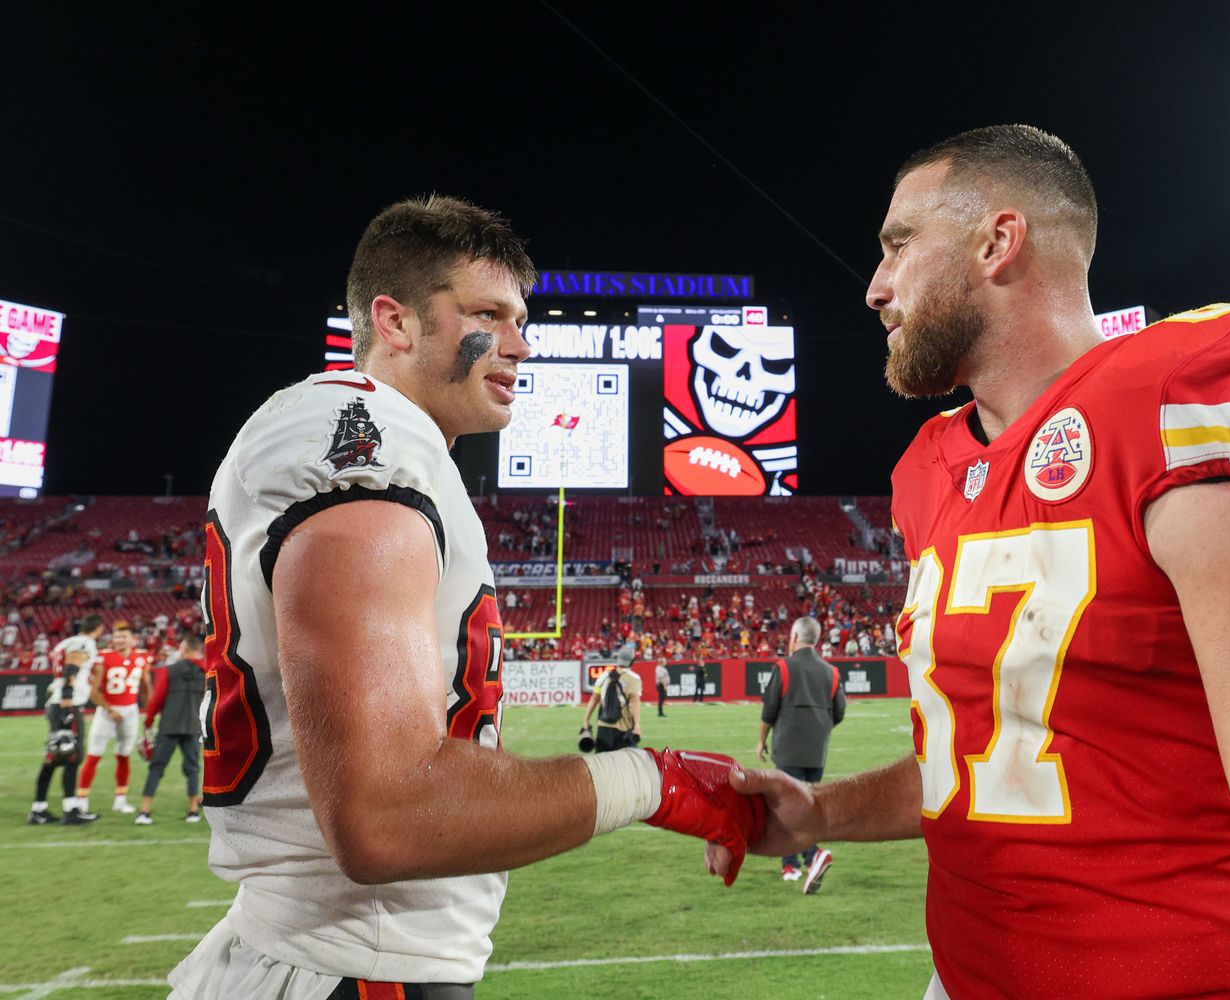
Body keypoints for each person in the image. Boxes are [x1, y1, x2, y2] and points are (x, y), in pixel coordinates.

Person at [716, 125, 1230, 998]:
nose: (875, 287)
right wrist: (819, 812)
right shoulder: (928, 472)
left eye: (900, 245)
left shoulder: (1183, 402)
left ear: (996, 241)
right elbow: (987, 759)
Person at [167, 196, 763, 1000]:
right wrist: (655, 784)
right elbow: (387, 812)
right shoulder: (365, 442)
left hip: (348, 954)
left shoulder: (396, 450)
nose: (521, 343)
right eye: (489, 313)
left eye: (522, 318)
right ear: (396, 322)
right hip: (348, 964)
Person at [757, 616, 844, 893]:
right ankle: (798, 862)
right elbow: (839, 712)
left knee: (786, 808)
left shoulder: (783, 667)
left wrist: (761, 741)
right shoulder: (831, 672)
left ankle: (803, 859)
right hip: (817, 751)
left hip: (788, 749)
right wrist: (819, 729)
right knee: (806, 806)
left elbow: (769, 710)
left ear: (794, 636)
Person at [29, 614, 105, 825]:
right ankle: (71, 809)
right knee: (72, 756)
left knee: (54, 756)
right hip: (66, 703)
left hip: (57, 702)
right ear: (98, 628)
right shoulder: (84, 642)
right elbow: (72, 666)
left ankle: (39, 809)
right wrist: (67, 700)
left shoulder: (65, 642)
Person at [78, 622, 153, 815]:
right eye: (117, 637)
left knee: (123, 756)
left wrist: (150, 713)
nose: (119, 640)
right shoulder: (104, 657)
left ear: (133, 639)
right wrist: (109, 709)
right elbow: (93, 692)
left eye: (123, 637)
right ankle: (81, 800)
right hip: (106, 712)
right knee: (94, 755)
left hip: (130, 712)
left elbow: (145, 688)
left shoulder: (142, 658)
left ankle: (120, 800)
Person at [135, 634, 208, 825]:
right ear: (199, 650)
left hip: (169, 725)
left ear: (183, 649)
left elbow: (157, 699)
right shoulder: (207, 670)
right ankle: (192, 811)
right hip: (193, 726)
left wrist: (148, 722)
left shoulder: (169, 670)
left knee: (156, 768)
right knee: (192, 769)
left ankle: (145, 810)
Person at [583, 652, 644, 752]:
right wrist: (637, 725)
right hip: (622, 727)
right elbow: (635, 702)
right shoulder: (634, 678)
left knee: (602, 764)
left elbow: (594, 699)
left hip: (603, 727)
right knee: (624, 764)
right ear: (632, 661)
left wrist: (586, 720)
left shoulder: (604, 676)